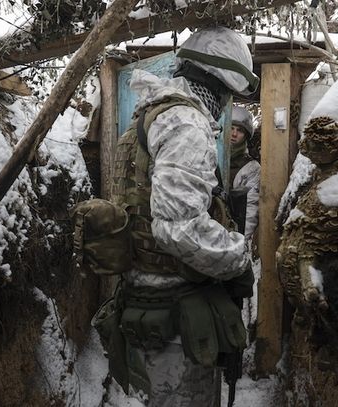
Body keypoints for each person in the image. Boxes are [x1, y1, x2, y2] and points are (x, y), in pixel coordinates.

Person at [106, 26, 259, 407]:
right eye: (228, 95)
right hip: (173, 315)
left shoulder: (149, 115)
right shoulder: (185, 124)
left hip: (145, 302)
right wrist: (237, 257)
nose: (226, 104)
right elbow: (179, 228)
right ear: (221, 85)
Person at [230, 106, 261, 241]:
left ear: (246, 136)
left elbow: (250, 210)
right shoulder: (209, 154)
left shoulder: (251, 168)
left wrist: (240, 243)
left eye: (240, 130)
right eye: (231, 128)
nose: (234, 134)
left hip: (231, 232)